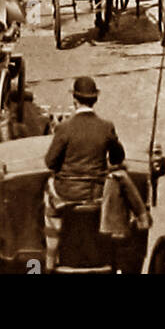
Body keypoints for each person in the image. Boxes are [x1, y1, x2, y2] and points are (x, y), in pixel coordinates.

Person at [43, 75, 125, 273]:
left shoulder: (64, 128)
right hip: (97, 194)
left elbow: (50, 162)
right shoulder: (106, 127)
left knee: (46, 195)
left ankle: (49, 260)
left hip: (67, 194)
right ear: (95, 99)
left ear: (75, 100)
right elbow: (117, 158)